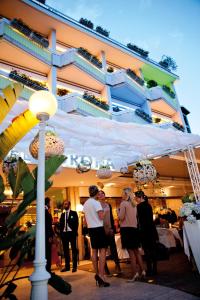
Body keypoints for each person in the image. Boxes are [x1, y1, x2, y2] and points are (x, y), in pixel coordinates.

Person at [83, 185, 110, 287]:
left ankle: (97, 274)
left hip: (91, 229)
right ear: (97, 193)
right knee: (102, 251)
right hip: (98, 228)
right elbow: (101, 217)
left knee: (94, 251)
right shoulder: (96, 203)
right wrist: (106, 211)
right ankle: (102, 275)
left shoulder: (86, 203)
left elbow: (85, 220)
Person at [118, 187, 145, 282]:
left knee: (131, 254)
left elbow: (121, 217)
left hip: (126, 230)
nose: (121, 195)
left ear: (126, 194)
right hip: (134, 229)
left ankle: (135, 274)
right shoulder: (134, 204)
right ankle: (143, 271)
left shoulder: (123, 203)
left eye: (122, 193)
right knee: (137, 252)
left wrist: (118, 212)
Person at [97, 190, 121, 275]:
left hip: (110, 229)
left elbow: (110, 217)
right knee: (103, 250)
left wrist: (112, 229)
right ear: (97, 196)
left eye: (102, 193)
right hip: (101, 230)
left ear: (104, 195)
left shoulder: (108, 205)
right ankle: (105, 268)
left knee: (113, 248)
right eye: (99, 194)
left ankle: (118, 266)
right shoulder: (96, 205)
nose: (101, 195)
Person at [135, 191, 159, 276]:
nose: (135, 199)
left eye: (136, 198)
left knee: (147, 251)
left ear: (140, 197)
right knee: (153, 250)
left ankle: (149, 269)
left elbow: (139, 221)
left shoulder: (139, 206)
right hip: (152, 230)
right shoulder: (148, 205)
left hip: (144, 231)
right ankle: (155, 269)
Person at [59, 200, 79, 272]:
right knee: (66, 251)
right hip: (64, 234)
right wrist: (61, 233)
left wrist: (74, 232)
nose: (65, 205)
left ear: (69, 205)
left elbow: (76, 223)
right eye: (64, 204)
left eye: (66, 204)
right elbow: (60, 225)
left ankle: (74, 267)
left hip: (71, 233)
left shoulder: (74, 213)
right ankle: (67, 266)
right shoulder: (62, 215)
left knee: (74, 250)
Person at [45, 197, 54, 272]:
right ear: (47, 203)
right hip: (47, 236)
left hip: (46, 235)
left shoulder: (46, 211)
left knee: (47, 252)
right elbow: (47, 225)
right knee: (47, 253)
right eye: (50, 203)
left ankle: (48, 269)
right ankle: (48, 270)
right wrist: (50, 236)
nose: (51, 204)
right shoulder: (45, 212)